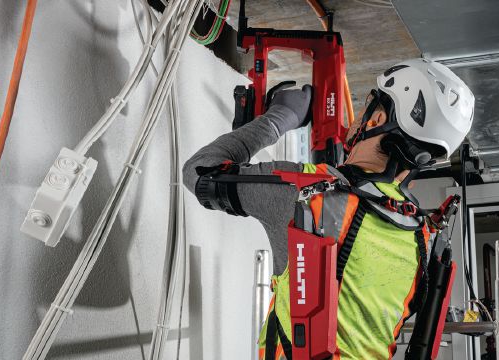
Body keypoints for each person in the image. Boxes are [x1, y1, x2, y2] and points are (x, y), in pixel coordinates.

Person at [183, 58, 475, 360]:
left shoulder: (302, 191)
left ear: (375, 119)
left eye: (366, 105)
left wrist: (279, 118)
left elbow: (198, 173)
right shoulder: (423, 239)